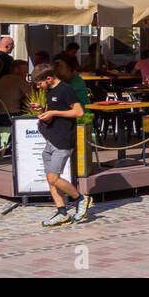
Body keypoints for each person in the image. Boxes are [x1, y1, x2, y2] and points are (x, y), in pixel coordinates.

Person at [31, 65, 91, 227]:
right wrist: (43, 110)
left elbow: (78, 112)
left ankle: (80, 199)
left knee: (53, 177)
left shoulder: (66, 89)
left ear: (49, 79)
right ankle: (62, 213)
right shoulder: (50, 91)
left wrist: (53, 113)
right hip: (51, 139)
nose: (38, 87)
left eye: (39, 83)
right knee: (51, 180)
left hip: (63, 140)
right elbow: (55, 110)